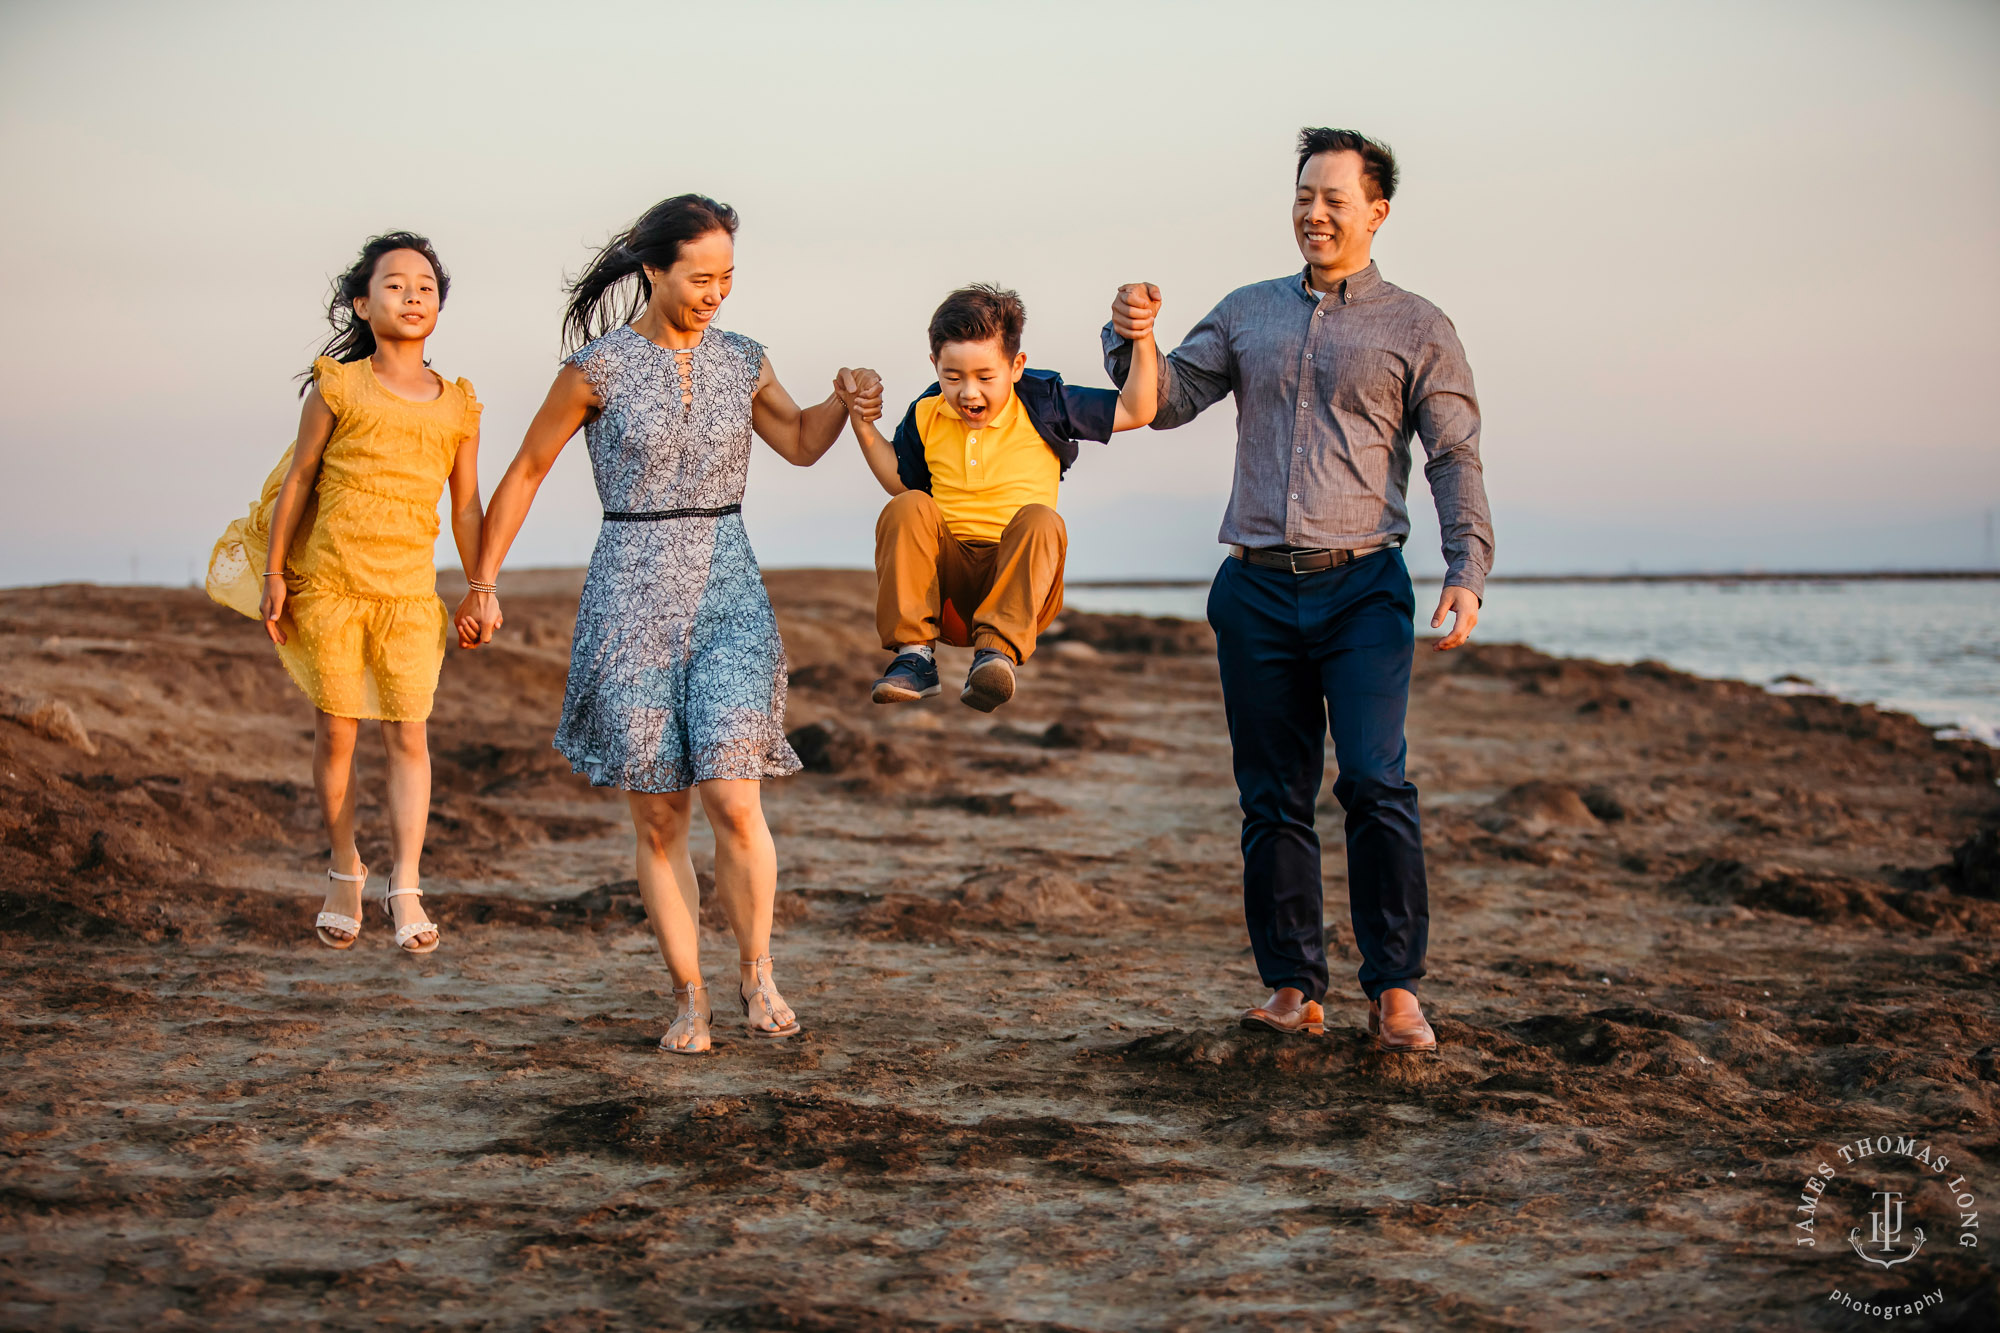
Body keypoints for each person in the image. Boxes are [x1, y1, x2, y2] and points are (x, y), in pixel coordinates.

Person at [457, 195, 882, 1055]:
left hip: (729, 585)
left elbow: (799, 442)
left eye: (728, 277)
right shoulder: (597, 369)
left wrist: (846, 401)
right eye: (701, 277)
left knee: (734, 792)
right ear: (654, 270)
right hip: (631, 594)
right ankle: (689, 996)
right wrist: (482, 581)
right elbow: (528, 469)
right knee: (659, 819)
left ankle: (756, 970)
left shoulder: (743, 359)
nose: (716, 292)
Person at [1102, 129, 1494, 1052]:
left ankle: (1395, 989)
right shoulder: (1246, 313)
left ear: (1377, 212)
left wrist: (1467, 566)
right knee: (1273, 794)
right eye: (1303, 196)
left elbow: (1453, 453)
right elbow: (1161, 403)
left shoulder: (1418, 326)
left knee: (1372, 777)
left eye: (1335, 200)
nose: (1314, 214)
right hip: (1257, 592)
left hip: (1364, 587)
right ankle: (1292, 986)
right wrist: (1133, 339)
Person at [220, 231, 484, 957]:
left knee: (408, 735)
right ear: (363, 303)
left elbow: (465, 506)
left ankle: (406, 882)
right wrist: (275, 575)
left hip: (407, 600)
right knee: (337, 731)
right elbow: (300, 482)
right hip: (334, 589)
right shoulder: (337, 386)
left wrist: (481, 584)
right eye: (395, 285)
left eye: (426, 287)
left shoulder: (458, 405)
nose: (412, 296)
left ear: (439, 307)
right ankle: (345, 864)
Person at [852, 284, 1158, 711]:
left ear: (1016, 366)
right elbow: (900, 482)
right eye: (952, 377)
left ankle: (995, 657)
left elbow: (1137, 409)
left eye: (985, 377)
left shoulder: (1045, 403)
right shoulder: (927, 411)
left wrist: (1141, 336)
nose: (968, 393)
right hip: (947, 594)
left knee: (1041, 519)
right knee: (907, 506)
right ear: (934, 364)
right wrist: (863, 425)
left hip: (1018, 585)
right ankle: (914, 658)